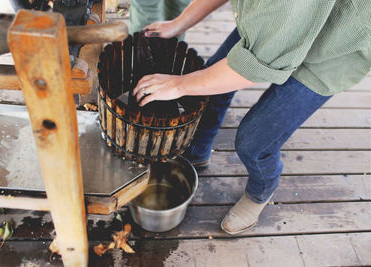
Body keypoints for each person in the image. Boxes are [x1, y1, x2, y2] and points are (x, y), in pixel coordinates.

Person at [132, 0, 371, 234]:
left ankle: (259, 193)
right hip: (273, 23)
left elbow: (250, 67)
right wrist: (180, 23)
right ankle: (196, 154)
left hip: (331, 51)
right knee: (208, 91)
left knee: (254, 142)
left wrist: (180, 85)